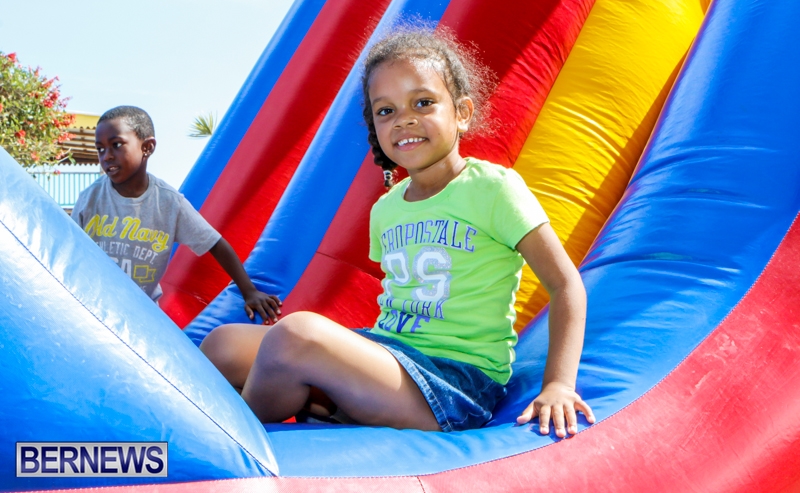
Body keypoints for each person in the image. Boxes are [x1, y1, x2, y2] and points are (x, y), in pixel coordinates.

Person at [200, 28, 594, 435]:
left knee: (293, 336)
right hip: (389, 354)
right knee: (221, 344)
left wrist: (559, 384)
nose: (404, 119)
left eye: (423, 102)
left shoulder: (492, 189)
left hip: (453, 380)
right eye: (385, 110)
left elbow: (566, 285)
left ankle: (232, 441)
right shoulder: (387, 208)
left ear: (461, 112)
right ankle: (322, 402)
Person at [71, 106, 281, 323]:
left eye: (116, 145)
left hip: (141, 315)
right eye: (100, 149)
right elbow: (68, 246)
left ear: (147, 147)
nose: (106, 156)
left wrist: (249, 291)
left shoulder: (169, 202)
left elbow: (216, 244)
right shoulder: (90, 198)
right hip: (92, 306)